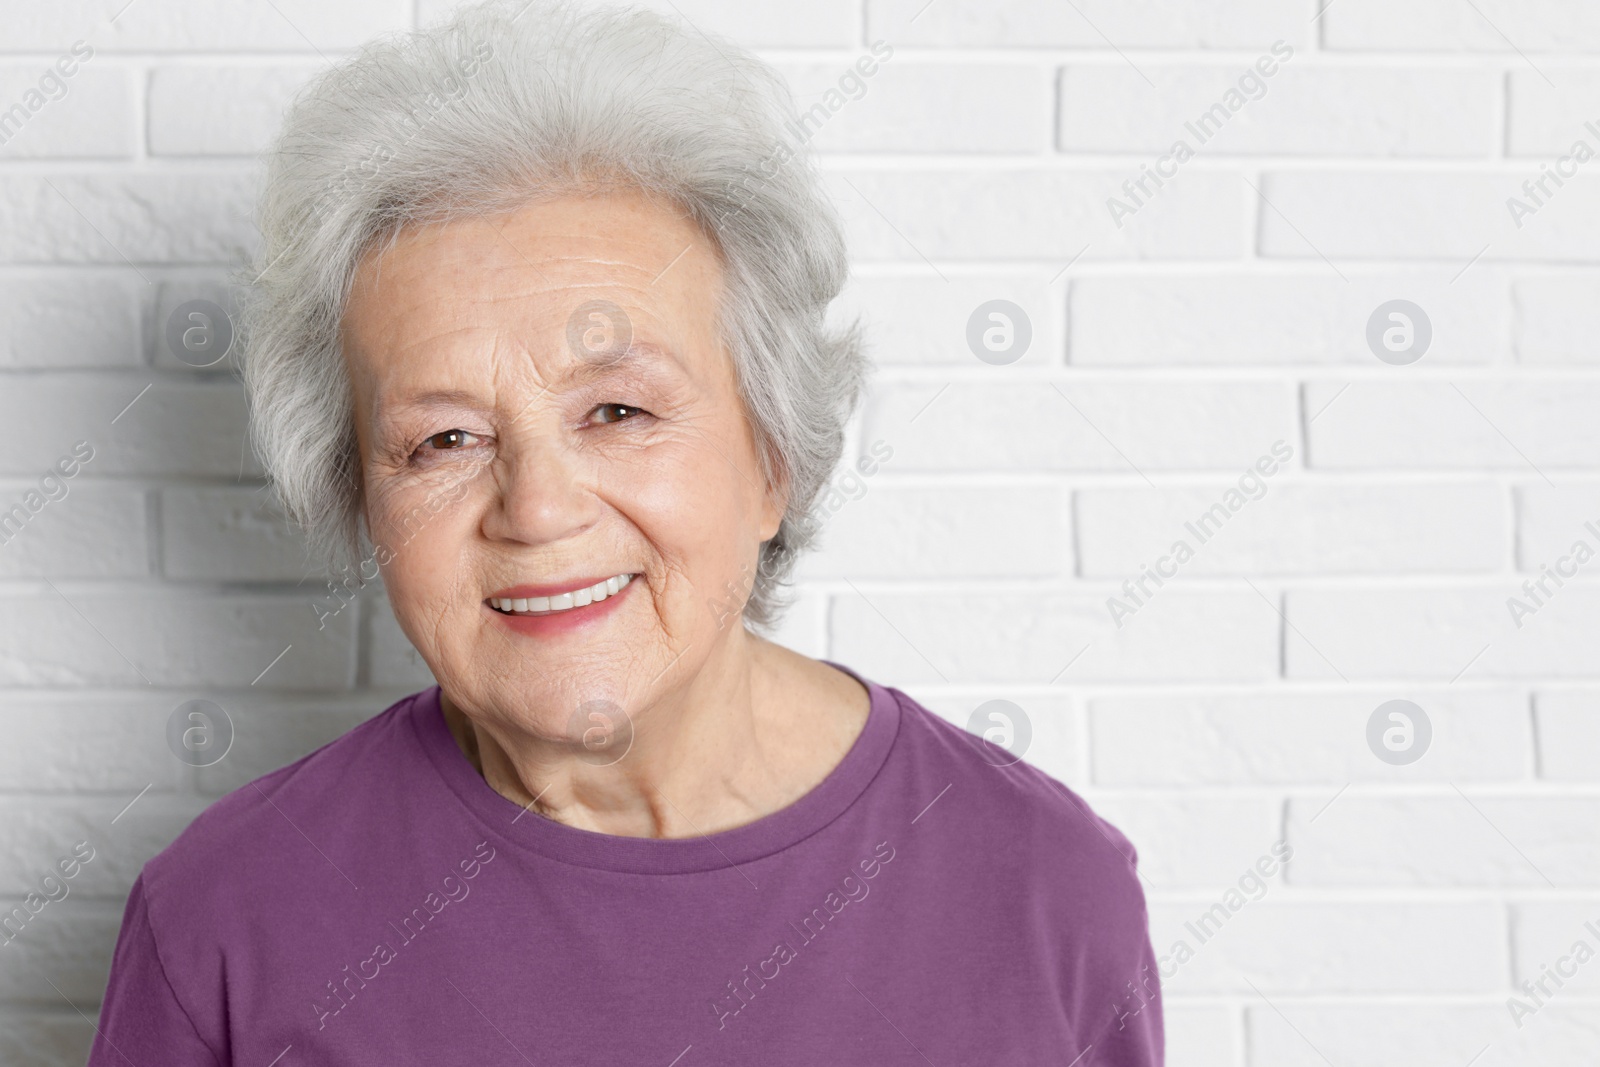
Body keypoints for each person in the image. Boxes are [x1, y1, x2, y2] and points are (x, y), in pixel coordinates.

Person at [89, 2, 1161, 1062]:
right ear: (359, 501)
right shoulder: (224, 920)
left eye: (617, 411)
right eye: (447, 438)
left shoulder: (1043, 888)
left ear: (773, 455)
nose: (538, 509)